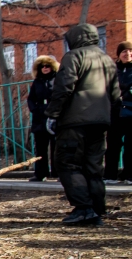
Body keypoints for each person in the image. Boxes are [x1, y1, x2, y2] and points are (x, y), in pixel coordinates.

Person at [45, 23, 120, 225]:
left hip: (74, 122)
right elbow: (115, 95)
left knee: (68, 164)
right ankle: (97, 207)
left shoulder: (74, 56)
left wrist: (52, 114)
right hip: (100, 121)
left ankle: (84, 209)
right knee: (94, 166)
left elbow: (64, 87)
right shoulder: (107, 60)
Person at [27, 55, 59, 181]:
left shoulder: (57, 80)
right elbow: (31, 99)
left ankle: (57, 173)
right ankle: (40, 173)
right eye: (42, 66)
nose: (45, 68)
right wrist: (34, 109)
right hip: (40, 116)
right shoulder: (37, 82)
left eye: (47, 66)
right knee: (40, 146)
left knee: (56, 146)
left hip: (54, 115)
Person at [105, 41, 132, 183]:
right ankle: (110, 175)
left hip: (131, 110)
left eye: (129, 51)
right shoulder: (113, 70)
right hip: (115, 111)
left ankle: (129, 175)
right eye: (124, 52)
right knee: (113, 144)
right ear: (119, 55)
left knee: (131, 145)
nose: (127, 54)